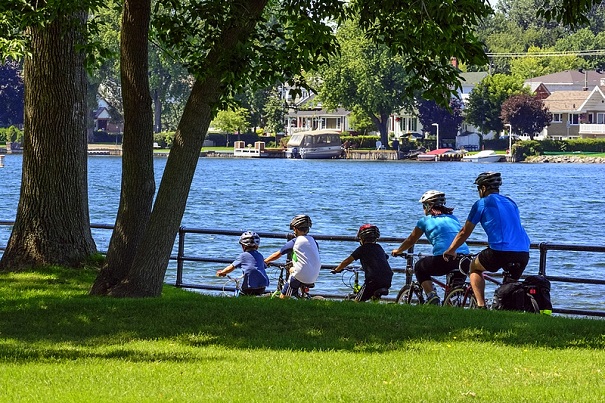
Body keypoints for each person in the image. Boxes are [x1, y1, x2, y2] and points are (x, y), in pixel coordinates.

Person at [443, 172, 530, 308]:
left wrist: (451, 250)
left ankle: (481, 306)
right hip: (523, 251)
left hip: (500, 251)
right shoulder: (511, 202)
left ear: (483, 188)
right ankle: (505, 310)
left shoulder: (481, 204)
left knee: (474, 268)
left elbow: (464, 232)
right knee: (509, 288)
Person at [391, 190, 470, 305]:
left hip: (445, 258)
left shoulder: (424, 221)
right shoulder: (453, 218)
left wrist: (398, 250)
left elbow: (411, 239)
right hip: (464, 258)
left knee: (419, 267)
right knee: (454, 291)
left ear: (428, 206)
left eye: (423, 206)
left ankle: (431, 296)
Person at [264, 214, 321, 298]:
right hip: (314, 275)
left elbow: (277, 254)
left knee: (283, 297)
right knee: (291, 269)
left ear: (295, 229)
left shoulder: (295, 241)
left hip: (300, 275)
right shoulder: (313, 241)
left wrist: (265, 261)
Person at [331, 224, 393, 301]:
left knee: (358, 301)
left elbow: (347, 261)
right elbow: (385, 257)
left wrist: (337, 269)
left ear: (362, 238)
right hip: (387, 279)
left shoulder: (362, 249)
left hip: (372, 281)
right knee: (374, 296)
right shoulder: (379, 247)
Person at [216, 231, 270, 295]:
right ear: (257, 246)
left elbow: (231, 267)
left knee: (243, 295)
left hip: (249, 286)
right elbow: (263, 266)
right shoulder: (260, 255)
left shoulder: (242, 256)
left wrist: (222, 272)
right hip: (262, 284)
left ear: (243, 246)